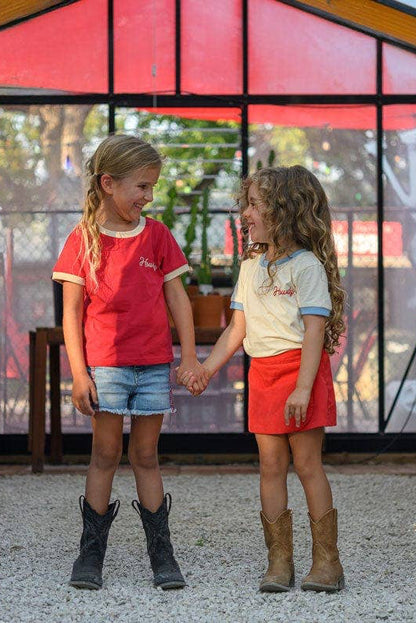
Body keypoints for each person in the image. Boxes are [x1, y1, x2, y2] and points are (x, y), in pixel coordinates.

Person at [178, 165, 346, 593]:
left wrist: (304, 388)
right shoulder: (251, 267)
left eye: (255, 205)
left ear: (285, 211)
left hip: (301, 372)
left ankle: (327, 564)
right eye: (246, 204)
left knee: (307, 465)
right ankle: (279, 562)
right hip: (264, 375)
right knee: (271, 466)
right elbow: (238, 330)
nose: (246, 213)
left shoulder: (306, 267)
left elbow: (313, 330)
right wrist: (204, 369)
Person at [52, 134, 207, 591]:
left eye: (151, 188)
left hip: (154, 366)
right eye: (141, 186)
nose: (147, 197)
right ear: (108, 184)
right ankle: (90, 555)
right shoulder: (82, 239)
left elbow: (178, 299)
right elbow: (71, 314)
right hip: (105, 369)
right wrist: (80, 375)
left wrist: (191, 356)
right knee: (104, 454)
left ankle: (162, 553)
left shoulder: (157, 235)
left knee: (145, 455)